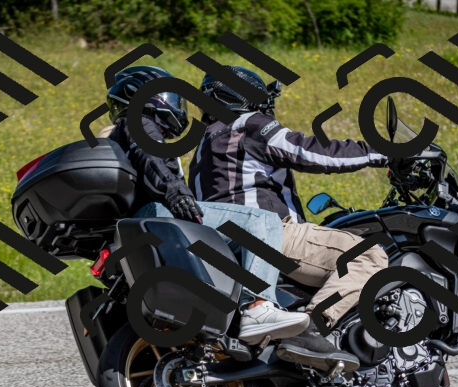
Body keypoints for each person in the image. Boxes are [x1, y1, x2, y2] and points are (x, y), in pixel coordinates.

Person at [190, 66, 412, 372]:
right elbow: (310, 152)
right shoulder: (247, 125)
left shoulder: (203, 146)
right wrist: (384, 152)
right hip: (270, 233)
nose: (265, 108)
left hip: (228, 241)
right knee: (368, 255)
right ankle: (311, 330)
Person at [101, 65, 310, 345]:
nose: (177, 106)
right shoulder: (140, 122)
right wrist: (175, 191)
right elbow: (149, 157)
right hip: (157, 213)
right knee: (262, 221)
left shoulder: (123, 131)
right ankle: (257, 307)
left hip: (144, 218)